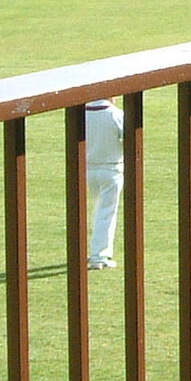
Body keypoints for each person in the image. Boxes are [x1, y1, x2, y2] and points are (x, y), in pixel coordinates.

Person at [84, 99, 123, 270]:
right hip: (111, 169)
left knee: (98, 209)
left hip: (88, 169)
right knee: (106, 212)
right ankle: (99, 256)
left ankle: (95, 250)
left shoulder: (82, 114)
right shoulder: (115, 114)